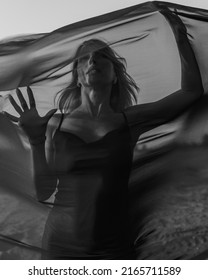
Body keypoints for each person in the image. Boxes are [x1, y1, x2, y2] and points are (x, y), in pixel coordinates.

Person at [4, 11, 203, 259]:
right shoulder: (56, 123)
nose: (92, 62)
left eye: (101, 57)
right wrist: (35, 139)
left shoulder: (130, 120)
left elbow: (191, 93)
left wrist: (181, 38)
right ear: (77, 76)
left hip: (114, 246)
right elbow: (43, 191)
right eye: (84, 59)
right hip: (60, 245)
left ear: (115, 75)